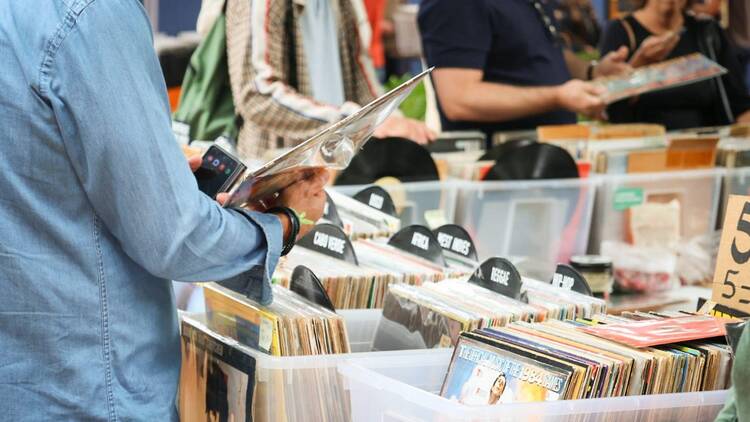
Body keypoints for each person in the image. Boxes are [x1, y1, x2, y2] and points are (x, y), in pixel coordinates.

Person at [0, 1, 327, 420]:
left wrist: (154, 166)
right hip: (89, 393)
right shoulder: (96, 13)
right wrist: (283, 222)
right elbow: (176, 237)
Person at [225, 0, 434, 162]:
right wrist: (353, 122)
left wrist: (390, 118)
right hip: (279, 171)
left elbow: (361, 81)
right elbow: (257, 96)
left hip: (339, 163)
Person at [417, 0, 631, 142]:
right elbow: (459, 99)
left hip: (546, 162)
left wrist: (592, 72)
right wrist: (557, 97)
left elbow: (538, 51)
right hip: (502, 171)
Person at [599, 0, 750, 129]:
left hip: (706, 149)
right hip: (644, 151)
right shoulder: (621, 31)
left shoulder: (706, 32)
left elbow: (740, 104)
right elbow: (610, 108)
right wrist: (639, 64)